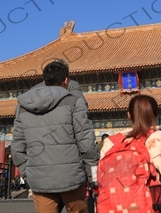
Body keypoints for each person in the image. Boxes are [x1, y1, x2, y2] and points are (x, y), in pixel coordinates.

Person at [11, 59, 99, 213]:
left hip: (40, 181)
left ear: (45, 80)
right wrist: (93, 177)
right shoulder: (74, 102)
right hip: (71, 178)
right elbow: (86, 144)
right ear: (66, 80)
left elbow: (17, 148)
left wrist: (29, 173)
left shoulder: (23, 107)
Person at [100, 95, 161, 213]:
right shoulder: (160, 138)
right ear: (155, 116)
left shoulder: (111, 143)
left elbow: (101, 184)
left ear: (129, 115)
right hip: (152, 206)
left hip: (114, 208)